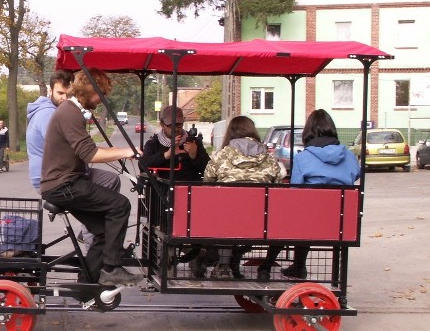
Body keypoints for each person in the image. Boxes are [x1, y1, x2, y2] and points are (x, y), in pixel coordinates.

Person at [40, 68, 140, 286]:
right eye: (100, 94)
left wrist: (119, 151)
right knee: (120, 205)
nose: (101, 100)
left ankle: (87, 287)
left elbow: (88, 148)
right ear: (88, 90)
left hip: (66, 184)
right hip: (63, 185)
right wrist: (125, 151)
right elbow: (91, 154)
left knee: (103, 231)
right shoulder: (69, 112)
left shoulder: (73, 111)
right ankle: (112, 268)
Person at [257, 109, 360, 280]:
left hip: (309, 221)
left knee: (286, 219)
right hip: (341, 222)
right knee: (305, 216)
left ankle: (268, 266)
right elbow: (356, 174)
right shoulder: (349, 156)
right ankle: (299, 266)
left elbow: (295, 191)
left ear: (308, 132)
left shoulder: (303, 158)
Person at [201, 115, 282, 279]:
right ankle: (240, 259)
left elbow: (207, 182)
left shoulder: (221, 156)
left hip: (226, 218)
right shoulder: (268, 157)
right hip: (260, 219)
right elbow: (277, 183)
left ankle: (223, 264)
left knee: (223, 216)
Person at [27, 70, 122, 193]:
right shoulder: (48, 113)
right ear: (50, 91)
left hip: (62, 173)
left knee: (111, 180)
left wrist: (111, 151)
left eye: (68, 94)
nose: (64, 98)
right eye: (60, 93)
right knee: (114, 196)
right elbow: (76, 148)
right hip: (53, 178)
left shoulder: (58, 111)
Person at [139, 105, 210, 180]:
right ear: (162, 125)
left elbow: (209, 171)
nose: (176, 129)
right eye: (171, 125)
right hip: (161, 189)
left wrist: (195, 155)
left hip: (189, 189)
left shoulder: (193, 142)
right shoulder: (153, 144)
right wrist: (166, 155)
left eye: (179, 125)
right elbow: (142, 166)